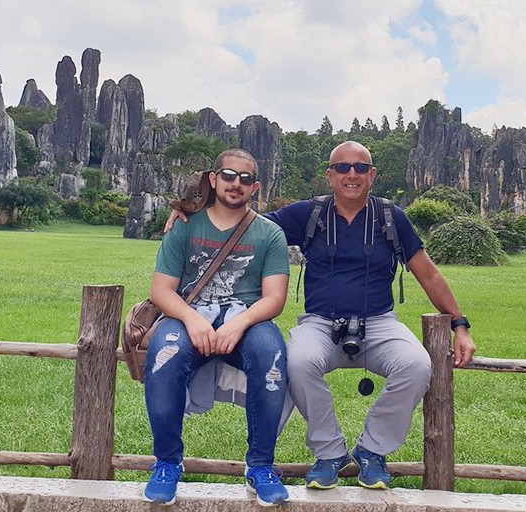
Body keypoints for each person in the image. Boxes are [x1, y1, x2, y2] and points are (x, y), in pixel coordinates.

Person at [167, 140, 475, 491]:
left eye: (360, 168)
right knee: (297, 362)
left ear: (372, 175)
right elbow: (241, 225)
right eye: (342, 168)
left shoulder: (391, 217)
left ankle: (372, 450)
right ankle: (329, 452)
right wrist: (190, 213)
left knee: (416, 365)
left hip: (378, 321)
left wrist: (459, 324)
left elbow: (429, 274)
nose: (352, 175)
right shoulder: (308, 214)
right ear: (330, 175)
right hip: (320, 322)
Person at [145, 148, 291, 507]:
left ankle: (260, 466)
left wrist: (238, 323)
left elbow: (274, 298)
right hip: (188, 313)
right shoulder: (184, 226)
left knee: (271, 355)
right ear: (213, 179)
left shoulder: (269, 234)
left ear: (255, 187)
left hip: (245, 316)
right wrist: (193, 319)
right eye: (228, 175)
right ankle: (166, 462)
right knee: (164, 355)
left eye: (245, 179)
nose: (235, 184)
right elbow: (161, 289)